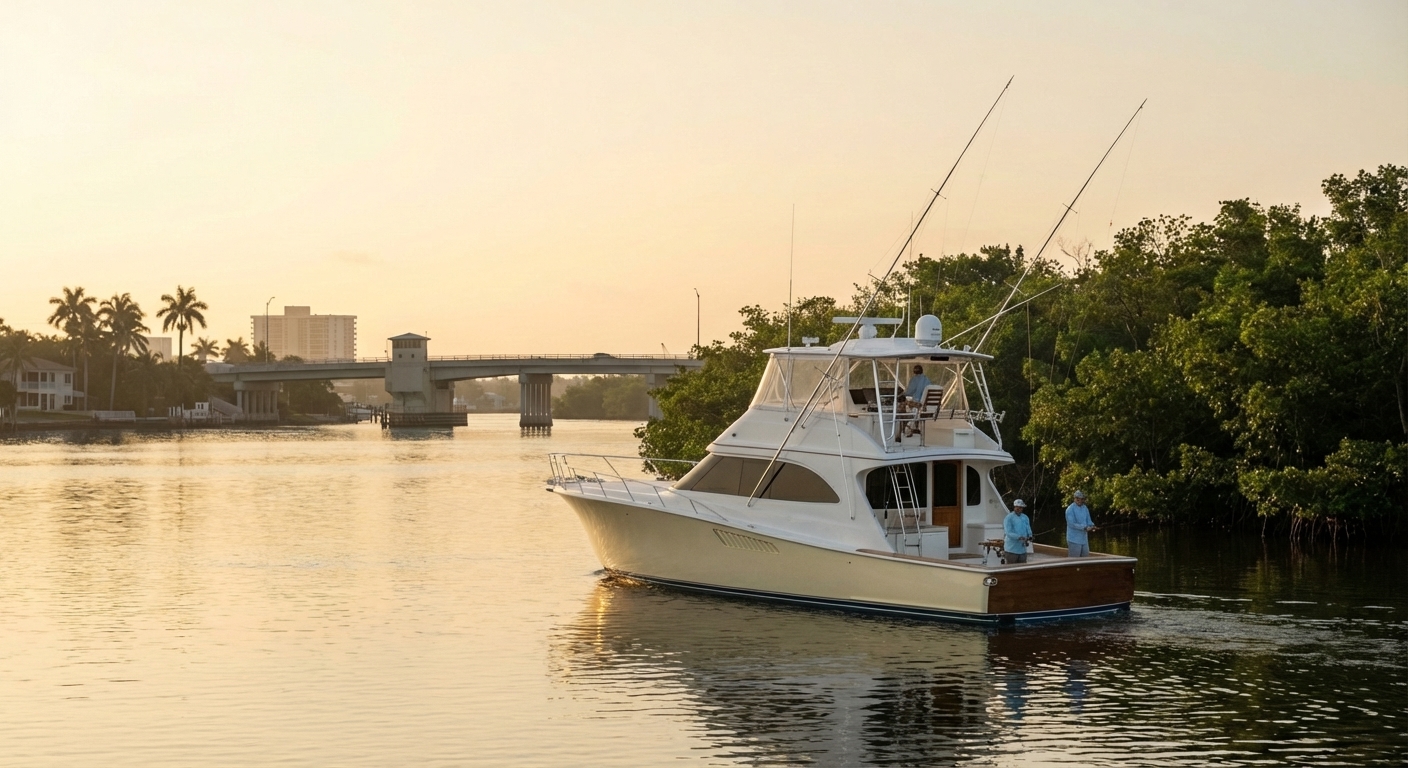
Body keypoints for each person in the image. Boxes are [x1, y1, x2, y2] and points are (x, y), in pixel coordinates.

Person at [1065, 490, 1097, 557]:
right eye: (1078, 498)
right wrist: (1084, 527)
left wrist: (1092, 526)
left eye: (1082, 499)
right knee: (1074, 561)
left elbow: (1088, 520)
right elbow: (1072, 524)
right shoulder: (1070, 509)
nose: (1080, 500)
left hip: (1084, 539)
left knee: (1085, 558)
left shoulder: (1085, 508)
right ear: (1075, 498)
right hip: (1073, 539)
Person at [1003, 499, 1033, 564]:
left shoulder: (1025, 517)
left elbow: (1028, 528)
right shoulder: (1009, 518)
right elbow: (1008, 532)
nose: (1019, 509)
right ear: (1014, 507)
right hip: (1011, 549)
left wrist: (1030, 536)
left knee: (1023, 567)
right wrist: (1019, 537)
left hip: (1022, 550)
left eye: (1021, 507)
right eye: (1018, 507)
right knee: (1010, 568)